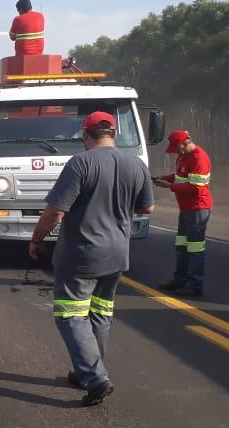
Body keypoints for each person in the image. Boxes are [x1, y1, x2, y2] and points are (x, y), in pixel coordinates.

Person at [29, 112, 154, 406]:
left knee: (72, 315)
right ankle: (87, 370)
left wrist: (36, 240)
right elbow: (147, 208)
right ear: (114, 133)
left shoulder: (81, 163)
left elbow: (55, 211)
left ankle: (95, 378)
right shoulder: (135, 164)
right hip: (117, 255)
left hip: (82, 256)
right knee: (99, 313)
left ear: (86, 136)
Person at [153, 130, 212, 297]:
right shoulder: (183, 157)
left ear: (185, 143)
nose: (175, 153)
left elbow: (195, 187)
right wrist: (165, 178)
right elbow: (180, 177)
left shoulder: (199, 158)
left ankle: (194, 285)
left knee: (195, 248)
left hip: (197, 208)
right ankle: (179, 280)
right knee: (181, 246)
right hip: (186, 208)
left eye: (176, 149)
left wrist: (168, 186)